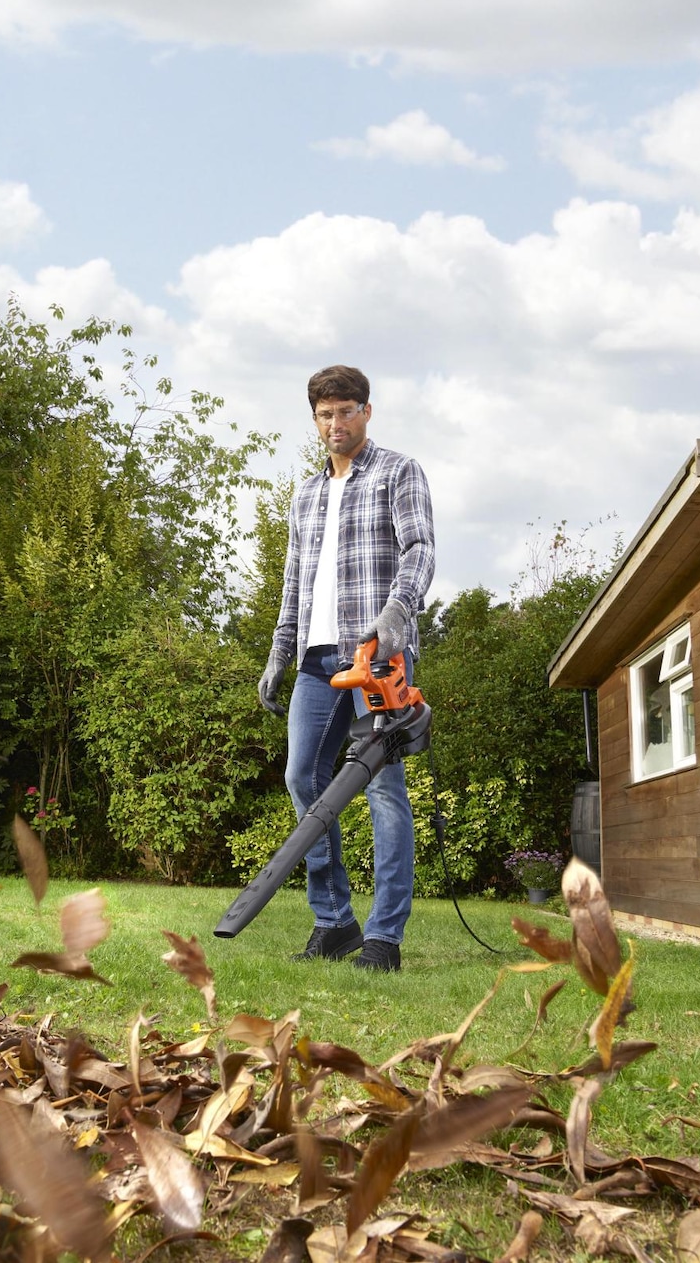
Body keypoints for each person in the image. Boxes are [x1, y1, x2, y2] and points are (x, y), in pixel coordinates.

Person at [258, 364, 435, 973]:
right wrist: (280, 652)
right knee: (301, 777)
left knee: (383, 787)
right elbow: (293, 581)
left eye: (346, 410)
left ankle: (384, 937)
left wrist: (394, 617)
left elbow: (420, 549)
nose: (336, 423)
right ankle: (335, 923)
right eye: (325, 414)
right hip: (316, 658)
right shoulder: (304, 495)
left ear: (366, 411)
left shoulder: (398, 472)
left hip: (377, 655)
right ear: (315, 421)